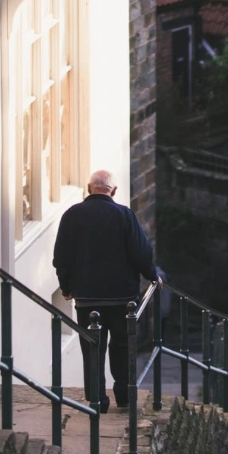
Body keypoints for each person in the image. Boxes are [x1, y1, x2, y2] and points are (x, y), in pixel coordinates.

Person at [53, 170, 161, 413]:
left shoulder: (71, 215)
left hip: (87, 298)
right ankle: (123, 396)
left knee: (92, 349)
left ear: (88, 189)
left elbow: (61, 256)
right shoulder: (124, 215)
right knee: (123, 346)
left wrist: (67, 287)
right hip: (123, 298)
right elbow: (141, 253)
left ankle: (97, 401)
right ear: (113, 191)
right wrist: (153, 275)